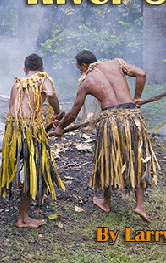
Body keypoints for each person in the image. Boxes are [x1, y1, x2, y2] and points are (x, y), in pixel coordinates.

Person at [52, 50, 159, 223]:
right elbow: (141, 73)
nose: (80, 72)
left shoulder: (87, 81)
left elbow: (73, 113)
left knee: (108, 160)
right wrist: (137, 97)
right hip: (132, 117)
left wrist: (60, 128)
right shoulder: (116, 63)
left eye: (79, 68)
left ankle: (106, 202)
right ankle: (139, 205)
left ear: (84, 65)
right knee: (138, 159)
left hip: (111, 122)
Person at [0, 53, 65, 228]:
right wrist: (56, 111)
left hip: (12, 128)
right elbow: (50, 94)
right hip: (29, 129)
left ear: (24, 69)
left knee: (25, 167)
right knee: (31, 170)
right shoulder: (43, 79)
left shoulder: (17, 84)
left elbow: (11, 107)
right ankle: (23, 218)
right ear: (42, 69)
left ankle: (32, 197)